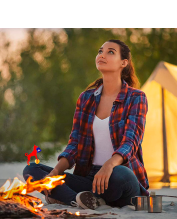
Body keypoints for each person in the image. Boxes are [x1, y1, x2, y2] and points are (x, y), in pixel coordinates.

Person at [23, 39, 149, 210]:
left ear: (123, 63)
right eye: (100, 51)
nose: (102, 55)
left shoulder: (136, 97)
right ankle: (79, 199)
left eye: (110, 52)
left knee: (119, 175)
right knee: (32, 170)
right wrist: (55, 173)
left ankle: (63, 196)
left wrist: (108, 165)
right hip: (89, 180)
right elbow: (75, 143)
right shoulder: (86, 98)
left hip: (121, 177)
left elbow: (130, 142)